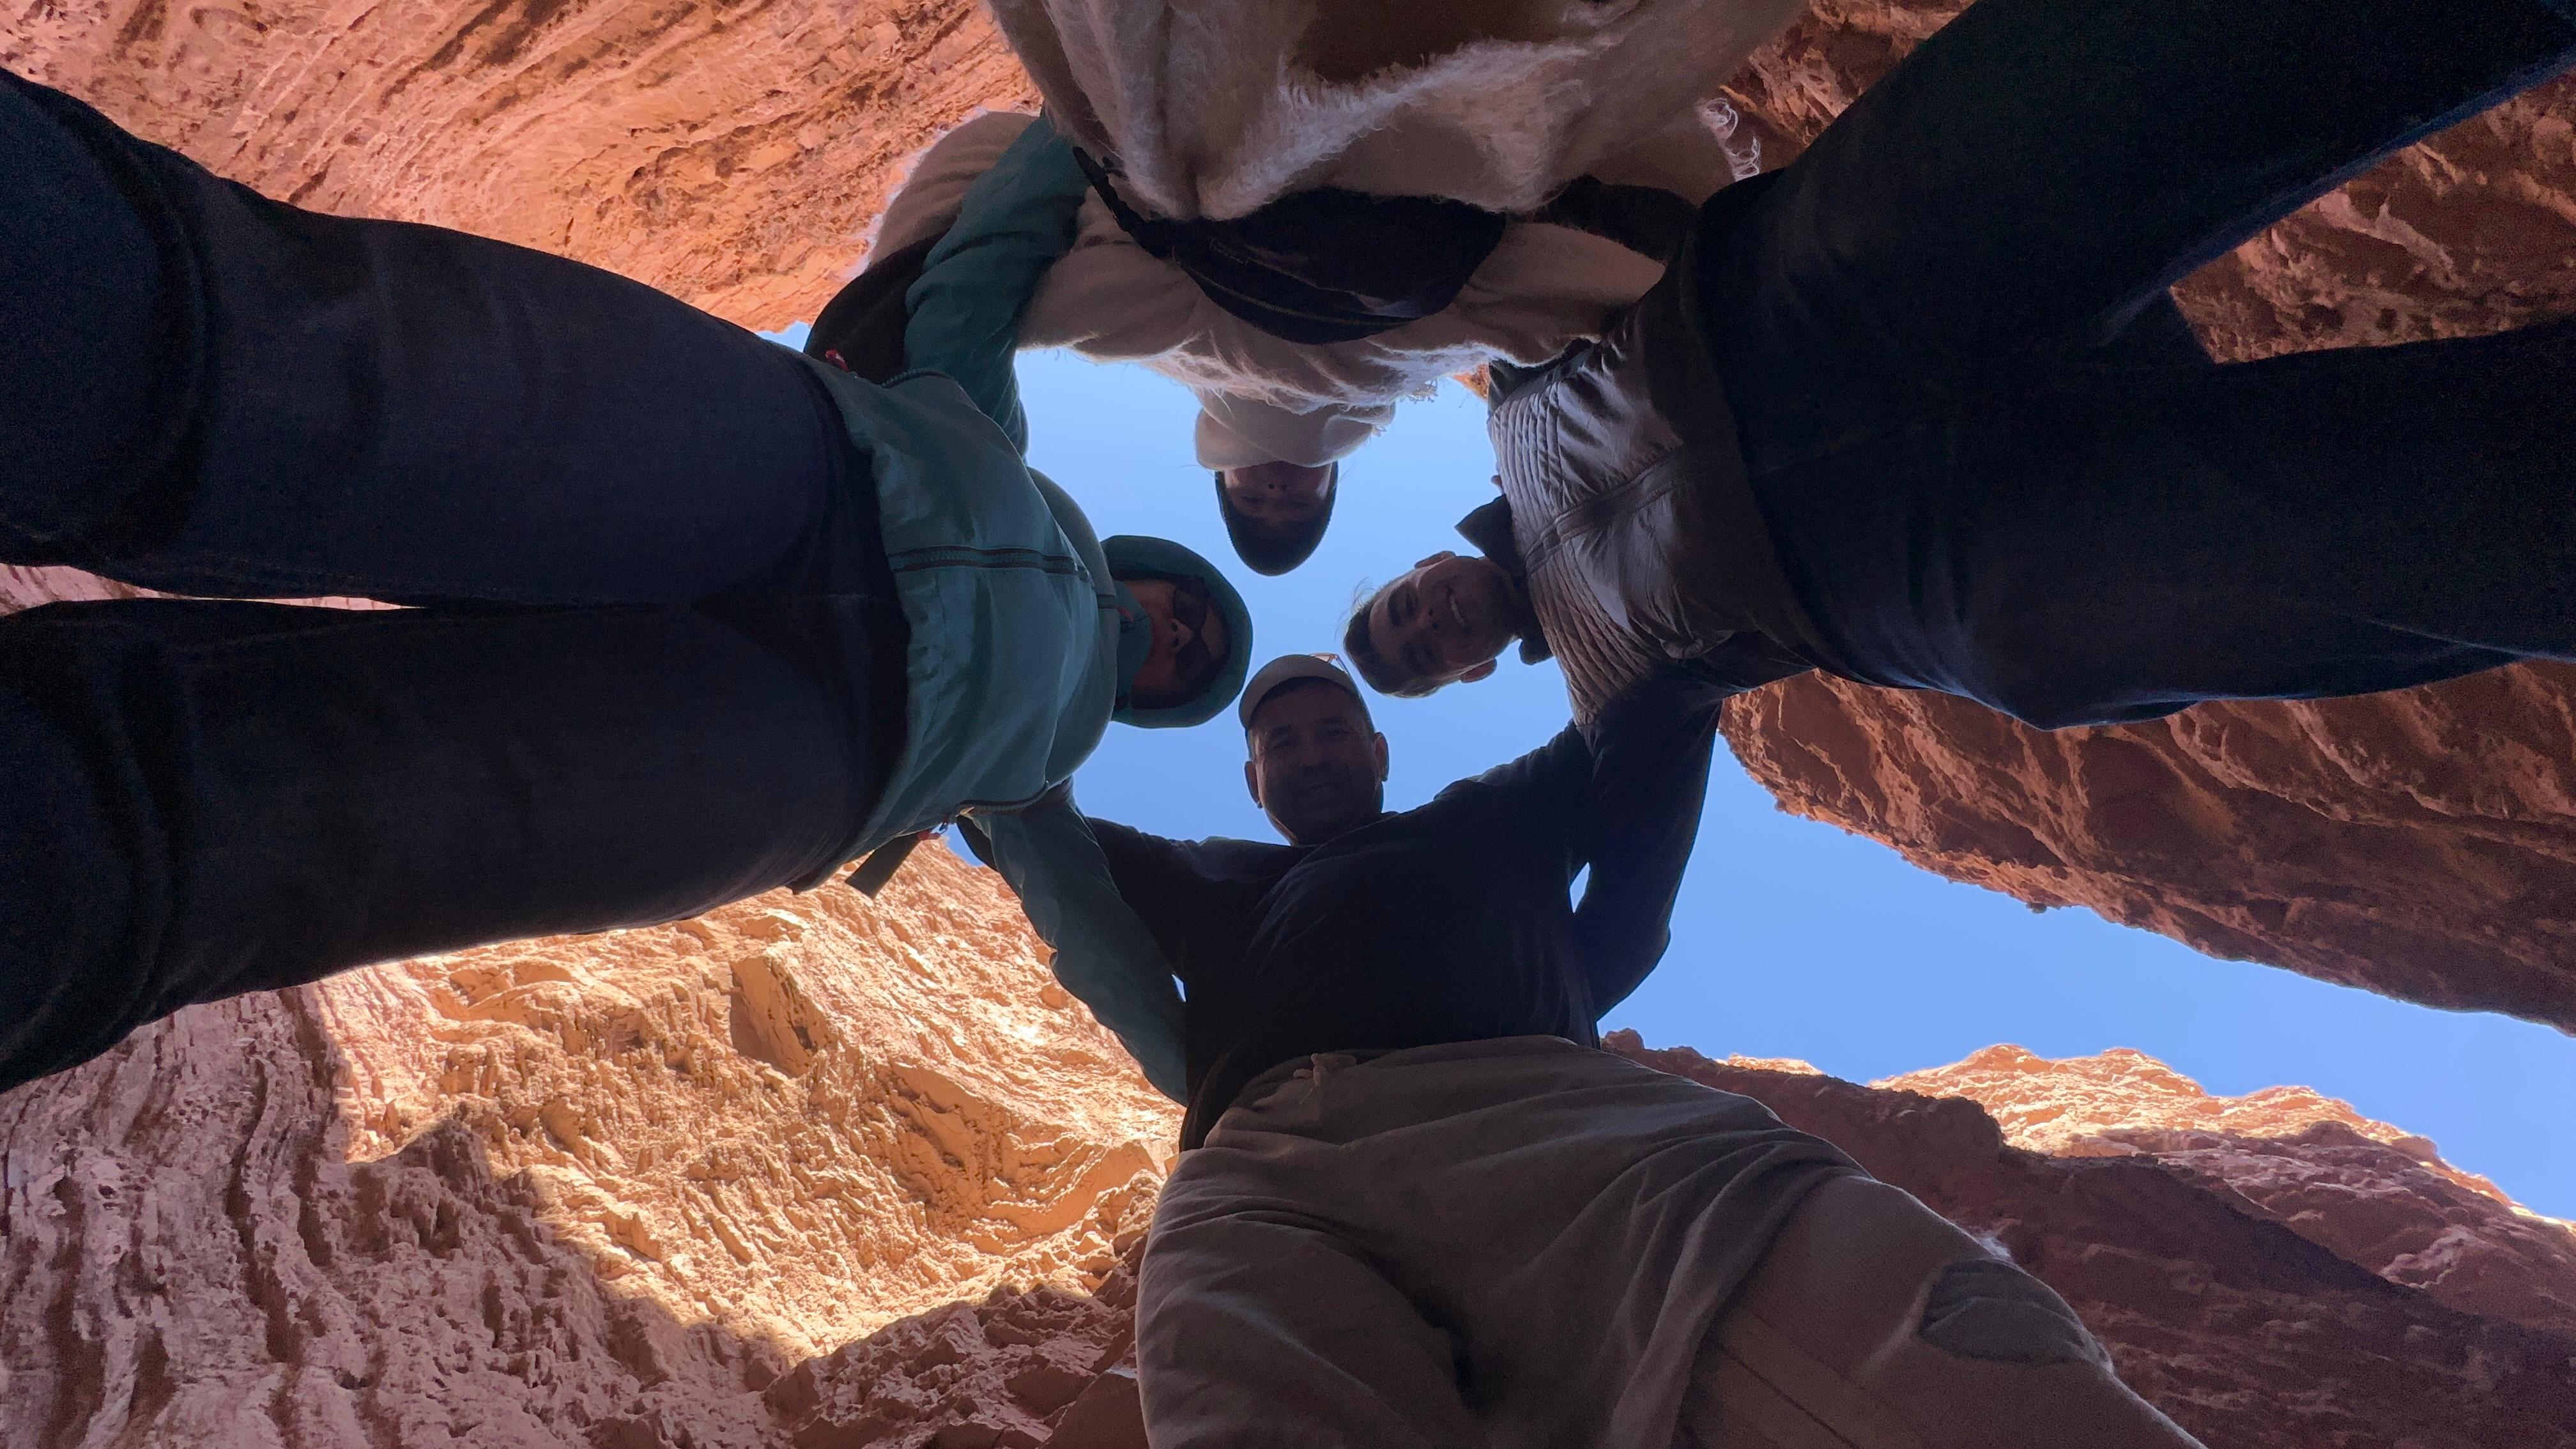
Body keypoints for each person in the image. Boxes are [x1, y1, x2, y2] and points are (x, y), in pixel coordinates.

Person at [0, 80, 1251, 1092]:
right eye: (1193, 607)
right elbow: (980, 271)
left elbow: (1094, 940)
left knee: (307, 828)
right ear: (1160, 569)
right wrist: (1105, 98)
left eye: (1189, 661)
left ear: (1155, 700)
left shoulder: (1033, 780)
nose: (1175, 632)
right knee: (316, 374)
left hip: (824, 760)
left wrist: (1206, 1087)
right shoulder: (988, 443)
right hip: (808, 466)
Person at [964, 656, 2202, 1447]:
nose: (1311, 752)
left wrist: (1616, 937)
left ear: (1381, 751)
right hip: (1264, 1179)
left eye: (1332, 728)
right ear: (1252, 784)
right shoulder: (1214, 879)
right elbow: (1024, 819)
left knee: (1951, 1356)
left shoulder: (1490, 813)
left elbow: (1651, 711)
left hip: (1565, 1128)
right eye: (1282, 745)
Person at [1342, 0, 2576, 729]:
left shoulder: (1506, 405)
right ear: (1466, 674)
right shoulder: (1611, 711)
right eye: (1424, 654)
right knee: (2242, 578)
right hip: (1897, 573)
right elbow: (1616, 888)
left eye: (1404, 607)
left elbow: (1598, 221)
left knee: (2130, 77)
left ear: (1420, 566)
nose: (1432, 623)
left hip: (1805, 295)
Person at [816, 107, 1751, 574]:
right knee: (1608, 289)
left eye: (1250, 507)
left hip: (1209, 257)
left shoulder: (1164, 353)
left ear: (1222, 478)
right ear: (1329, 479)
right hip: (1403, 289)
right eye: (1291, 508)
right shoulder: (1402, 385)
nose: (1272, 492)